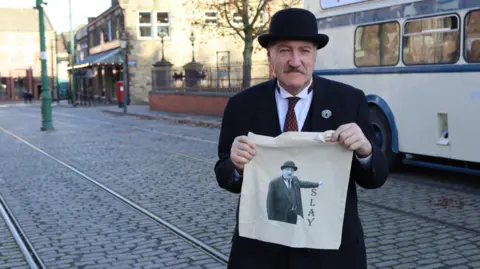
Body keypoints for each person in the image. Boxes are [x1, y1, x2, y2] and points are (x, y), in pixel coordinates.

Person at [214, 7, 389, 269]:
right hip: (261, 253)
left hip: (331, 253)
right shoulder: (242, 105)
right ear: (270, 55)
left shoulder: (349, 101)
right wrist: (235, 166)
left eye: (304, 50)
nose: (295, 60)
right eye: (284, 50)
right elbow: (225, 175)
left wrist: (366, 152)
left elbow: (375, 178)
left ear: (315, 56)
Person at [267, 161, 322, 225]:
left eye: (292, 170)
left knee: (291, 233)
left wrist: (317, 184)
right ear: (283, 171)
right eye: (287, 170)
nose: (290, 172)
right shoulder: (274, 183)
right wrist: (271, 221)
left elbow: (304, 184)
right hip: (280, 217)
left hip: (293, 216)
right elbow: (270, 203)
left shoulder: (295, 180)